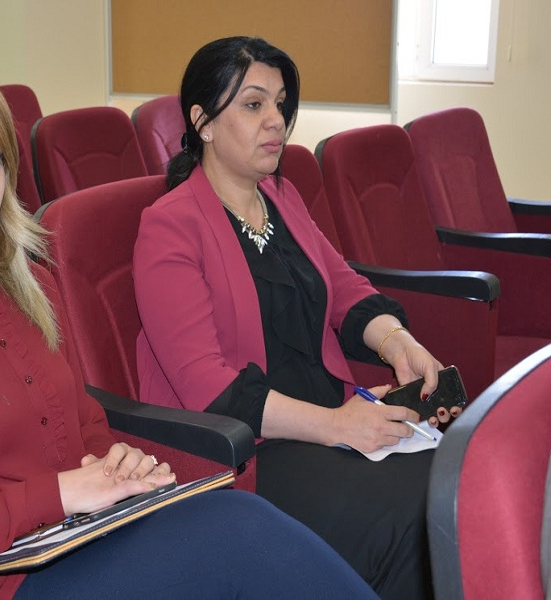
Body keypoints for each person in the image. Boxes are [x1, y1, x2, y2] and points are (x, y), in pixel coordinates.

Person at [0, 48, 379, 600]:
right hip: (0, 582)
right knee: (240, 536)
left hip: (88, 538)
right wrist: (61, 493)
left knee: (237, 518)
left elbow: (83, 420)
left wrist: (112, 462)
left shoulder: (32, 291)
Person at [133, 37, 462, 600]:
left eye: (281, 104)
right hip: (249, 452)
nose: (276, 121)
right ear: (203, 122)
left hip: (330, 420)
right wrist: (340, 426)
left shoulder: (280, 197)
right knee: (411, 516)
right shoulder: (169, 227)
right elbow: (209, 389)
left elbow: (343, 289)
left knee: (452, 481)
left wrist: (397, 341)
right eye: (253, 104)